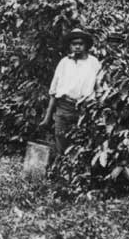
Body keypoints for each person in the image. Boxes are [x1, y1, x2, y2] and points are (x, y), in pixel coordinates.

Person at [37, 29, 101, 164]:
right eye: (74, 44)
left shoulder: (93, 63)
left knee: (82, 142)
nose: (77, 47)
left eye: (80, 43)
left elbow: (100, 88)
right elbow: (53, 91)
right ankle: (62, 174)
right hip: (64, 107)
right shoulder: (64, 62)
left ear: (86, 46)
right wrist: (47, 118)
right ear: (70, 46)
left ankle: (78, 175)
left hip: (85, 109)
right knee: (61, 140)